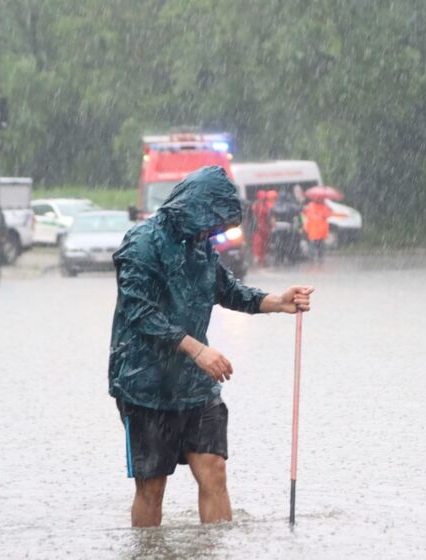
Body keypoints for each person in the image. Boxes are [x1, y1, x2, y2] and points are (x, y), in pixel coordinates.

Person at [108, 166, 313, 527]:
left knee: (214, 472)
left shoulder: (201, 248)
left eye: (219, 226)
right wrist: (199, 350)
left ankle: (215, 548)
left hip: (195, 385)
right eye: (211, 222)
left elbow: (229, 290)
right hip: (145, 385)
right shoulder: (141, 244)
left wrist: (278, 302)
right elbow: (139, 312)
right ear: (191, 210)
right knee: (152, 488)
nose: (213, 232)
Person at [303, 196, 333, 262]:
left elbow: (305, 214)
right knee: (320, 247)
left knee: (312, 246)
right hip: (321, 231)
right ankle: (320, 259)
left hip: (312, 230)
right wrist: (328, 208)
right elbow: (328, 214)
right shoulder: (324, 207)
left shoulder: (310, 206)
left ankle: (312, 259)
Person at [249, 190, 272, 266]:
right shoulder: (256, 205)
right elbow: (253, 216)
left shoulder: (265, 205)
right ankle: (259, 259)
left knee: (264, 245)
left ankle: (262, 259)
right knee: (258, 244)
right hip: (258, 227)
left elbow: (268, 216)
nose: (263, 199)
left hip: (264, 227)